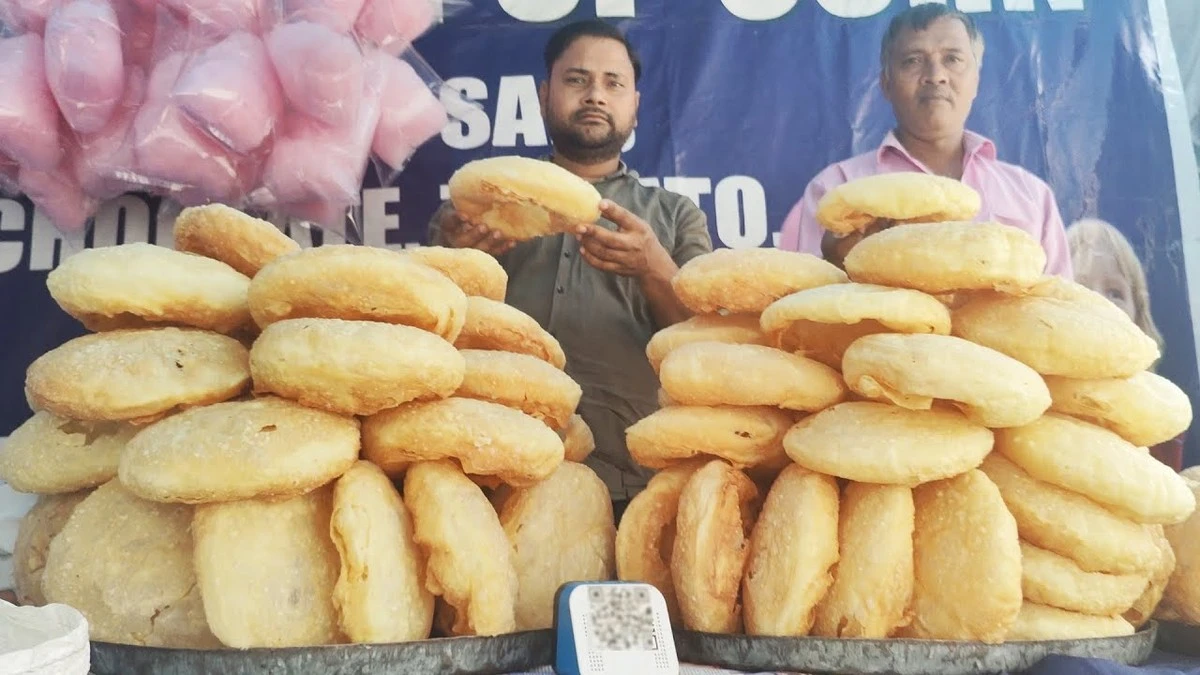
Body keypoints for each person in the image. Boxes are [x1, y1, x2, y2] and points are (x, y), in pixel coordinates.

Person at [427, 20, 713, 516]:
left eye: (613, 83)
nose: (595, 95)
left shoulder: (674, 216)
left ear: (635, 106)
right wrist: (462, 265)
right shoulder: (482, 206)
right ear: (543, 96)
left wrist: (653, 268)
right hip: (492, 471)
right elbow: (430, 334)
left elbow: (703, 348)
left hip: (637, 481)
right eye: (577, 80)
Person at [777, 4, 1073, 277]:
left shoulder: (1032, 197)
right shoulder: (835, 192)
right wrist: (839, 267)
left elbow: (1059, 314)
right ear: (886, 84)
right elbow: (803, 317)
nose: (935, 76)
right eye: (913, 61)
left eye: (952, 59)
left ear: (976, 81)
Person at [1066, 217, 1183, 470]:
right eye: (1080, 287)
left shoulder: (1159, 413)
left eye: (1115, 293)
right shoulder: (1043, 409)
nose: (1101, 303)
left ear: (1138, 316)